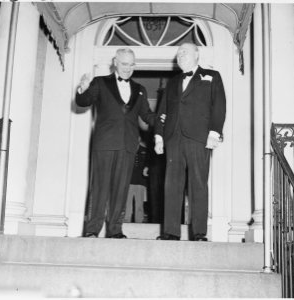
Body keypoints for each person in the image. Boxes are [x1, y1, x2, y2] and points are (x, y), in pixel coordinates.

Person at [76, 48, 155, 238]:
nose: (128, 68)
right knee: (99, 187)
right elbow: (83, 102)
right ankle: (92, 229)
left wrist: (166, 120)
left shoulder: (140, 90)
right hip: (104, 143)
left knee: (121, 190)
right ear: (115, 62)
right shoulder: (101, 82)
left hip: (128, 146)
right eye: (125, 64)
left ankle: (115, 230)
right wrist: (83, 89)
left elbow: (147, 116)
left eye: (132, 64)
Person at [154, 42, 226, 241]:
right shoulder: (173, 81)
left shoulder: (213, 76)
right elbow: (162, 110)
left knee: (198, 185)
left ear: (197, 54)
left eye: (184, 52)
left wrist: (214, 133)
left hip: (199, 138)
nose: (180, 55)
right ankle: (170, 232)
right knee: (171, 185)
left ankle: (199, 233)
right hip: (173, 138)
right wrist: (159, 136)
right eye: (178, 53)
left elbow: (219, 105)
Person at [124, 133, 149, 223]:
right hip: (129, 181)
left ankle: (139, 221)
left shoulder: (145, 151)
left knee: (139, 204)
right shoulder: (128, 150)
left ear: (139, 139)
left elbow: (148, 164)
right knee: (127, 204)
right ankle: (126, 221)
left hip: (141, 182)